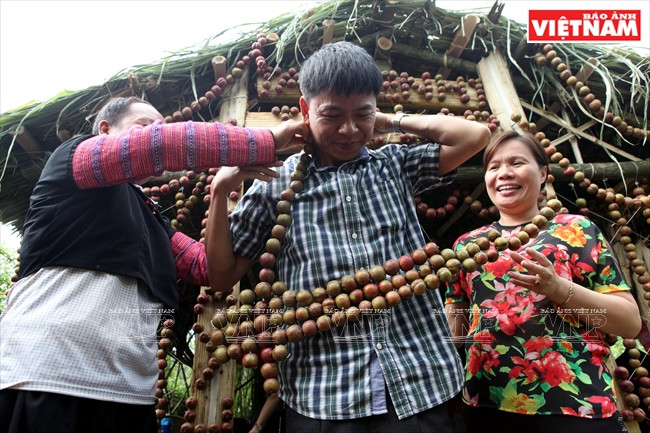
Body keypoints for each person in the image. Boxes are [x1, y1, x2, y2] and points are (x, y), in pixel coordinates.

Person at [206, 41, 491, 432]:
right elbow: (221, 276)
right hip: (325, 393)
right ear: (305, 111)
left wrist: (389, 122)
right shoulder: (276, 184)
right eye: (332, 115)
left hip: (419, 381)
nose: (349, 129)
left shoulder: (394, 165)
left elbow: (474, 136)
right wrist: (220, 192)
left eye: (362, 114)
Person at [0, 96, 304, 433]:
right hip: (48, 377)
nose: (157, 134)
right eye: (145, 127)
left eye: (160, 128)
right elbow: (157, 147)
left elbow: (209, 269)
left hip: (130, 394)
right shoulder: (74, 162)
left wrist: (220, 191)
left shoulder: (154, 222)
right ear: (105, 130)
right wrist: (266, 141)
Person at [444, 130, 641, 433]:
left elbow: (629, 323)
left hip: (576, 404)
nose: (504, 174)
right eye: (493, 167)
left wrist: (559, 289)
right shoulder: (467, 246)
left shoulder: (577, 230)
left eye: (516, 163)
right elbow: (455, 332)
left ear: (543, 173)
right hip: (487, 405)